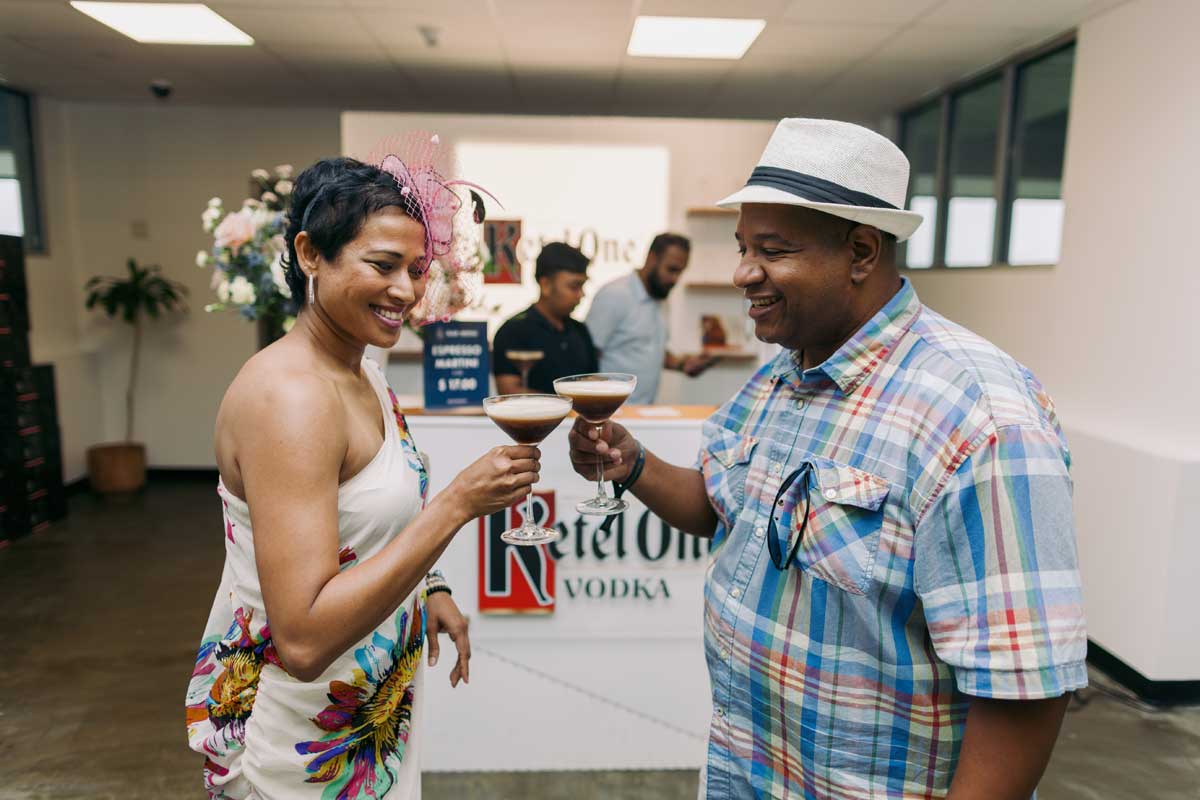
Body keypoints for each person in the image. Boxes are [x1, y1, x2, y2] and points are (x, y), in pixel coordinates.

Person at [568, 119, 1087, 799]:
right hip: (747, 773)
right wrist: (633, 465)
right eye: (743, 247)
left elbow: (1024, 690)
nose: (743, 273)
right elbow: (725, 511)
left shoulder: (977, 415)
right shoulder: (778, 379)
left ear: (862, 251)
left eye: (773, 250)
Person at [186, 151, 541, 800]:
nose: (405, 291)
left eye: (415, 269)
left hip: (364, 715)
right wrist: (457, 504)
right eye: (382, 265)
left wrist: (428, 585)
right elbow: (302, 638)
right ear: (310, 254)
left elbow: (366, 519)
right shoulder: (289, 399)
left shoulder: (363, 373)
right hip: (299, 745)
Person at [586, 233, 715, 404]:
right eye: (671, 270)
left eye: (680, 272)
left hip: (643, 412)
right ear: (652, 259)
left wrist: (683, 364)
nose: (675, 279)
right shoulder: (614, 295)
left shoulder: (662, 299)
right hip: (609, 412)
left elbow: (650, 349)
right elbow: (586, 357)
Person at [492, 242, 598, 394]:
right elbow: (509, 392)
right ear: (546, 285)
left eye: (582, 287)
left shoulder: (580, 331)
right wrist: (566, 405)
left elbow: (591, 383)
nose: (581, 295)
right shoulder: (513, 331)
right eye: (574, 287)